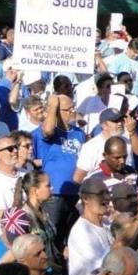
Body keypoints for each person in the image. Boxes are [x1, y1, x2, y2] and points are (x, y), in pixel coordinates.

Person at [33, 93, 84, 251]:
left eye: (73, 107)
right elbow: (47, 130)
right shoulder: (48, 132)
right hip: (54, 194)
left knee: (73, 235)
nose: (72, 111)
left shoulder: (79, 133)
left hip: (75, 193)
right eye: (67, 109)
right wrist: (53, 106)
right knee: (53, 234)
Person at [67, 177, 113, 275]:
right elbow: (102, 266)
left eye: (107, 192)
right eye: (100, 193)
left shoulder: (107, 224)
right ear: (85, 199)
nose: (106, 198)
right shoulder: (81, 232)